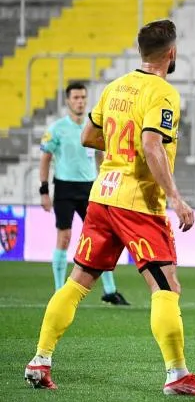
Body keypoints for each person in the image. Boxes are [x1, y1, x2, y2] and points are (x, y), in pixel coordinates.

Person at [24, 20, 195, 396]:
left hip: (102, 196)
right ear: (171, 53)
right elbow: (152, 145)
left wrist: (118, 150)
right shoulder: (162, 93)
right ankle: (177, 375)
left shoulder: (116, 87)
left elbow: (88, 136)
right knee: (166, 287)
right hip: (139, 203)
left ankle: (41, 359)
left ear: (140, 51)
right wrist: (176, 198)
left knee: (78, 282)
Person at [39, 81, 128, 305]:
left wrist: (105, 179)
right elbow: (46, 158)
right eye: (76, 98)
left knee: (102, 239)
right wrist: (44, 190)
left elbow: (100, 155)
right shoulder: (57, 128)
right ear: (68, 101)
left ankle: (110, 291)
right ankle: (60, 291)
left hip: (90, 187)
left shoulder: (93, 127)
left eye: (82, 98)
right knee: (65, 237)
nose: (80, 101)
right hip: (65, 187)